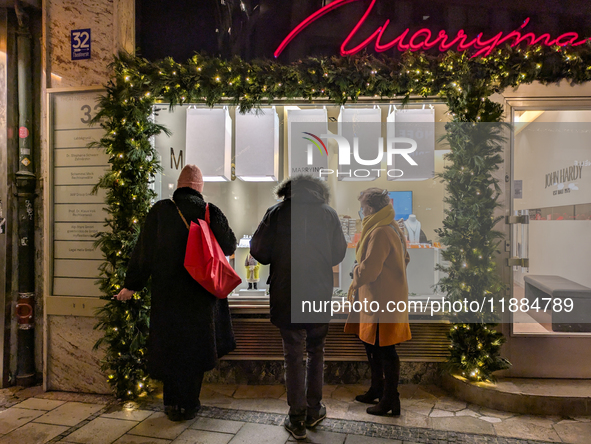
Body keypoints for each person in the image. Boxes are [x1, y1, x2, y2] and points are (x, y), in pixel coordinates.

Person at [114, 164, 237, 421]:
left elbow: (144, 251)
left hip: (168, 297)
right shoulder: (209, 211)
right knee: (195, 352)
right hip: (200, 298)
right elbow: (229, 245)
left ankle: (171, 404)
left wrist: (131, 284)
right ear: (200, 188)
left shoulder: (161, 211)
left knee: (171, 350)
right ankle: (190, 404)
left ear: (178, 186)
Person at [250, 175, 347, 440]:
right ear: (318, 191)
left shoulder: (276, 213)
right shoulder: (328, 214)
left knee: (293, 354)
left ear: (287, 191)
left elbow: (258, 251)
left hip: (287, 292)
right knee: (316, 350)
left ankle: (297, 418)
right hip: (318, 292)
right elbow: (339, 253)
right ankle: (314, 409)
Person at [344, 188, 411, 416]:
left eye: (363, 208)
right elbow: (406, 258)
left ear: (370, 208)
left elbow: (370, 269)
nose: (361, 212)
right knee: (374, 345)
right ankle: (378, 389)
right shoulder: (391, 226)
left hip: (381, 300)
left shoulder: (380, 231)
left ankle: (390, 399)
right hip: (384, 297)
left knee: (385, 349)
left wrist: (355, 270)